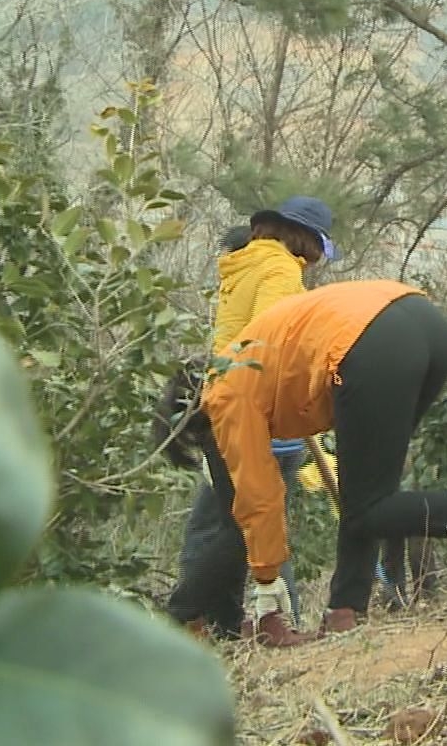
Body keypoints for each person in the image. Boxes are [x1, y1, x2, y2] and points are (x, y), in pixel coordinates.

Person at [163, 280, 447, 646]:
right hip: (425, 323)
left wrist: (267, 592)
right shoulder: (243, 359)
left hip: (367, 343)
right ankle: (345, 611)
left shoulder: (224, 394)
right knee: (370, 496)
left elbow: (258, 501)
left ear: (191, 416)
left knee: (368, 507)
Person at [165, 198, 339, 641]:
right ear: (308, 241)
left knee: (233, 520)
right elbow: (274, 340)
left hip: (222, 401)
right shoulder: (281, 270)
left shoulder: (243, 264)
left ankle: (225, 623)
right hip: (255, 411)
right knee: (251, 524)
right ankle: (190, 615)